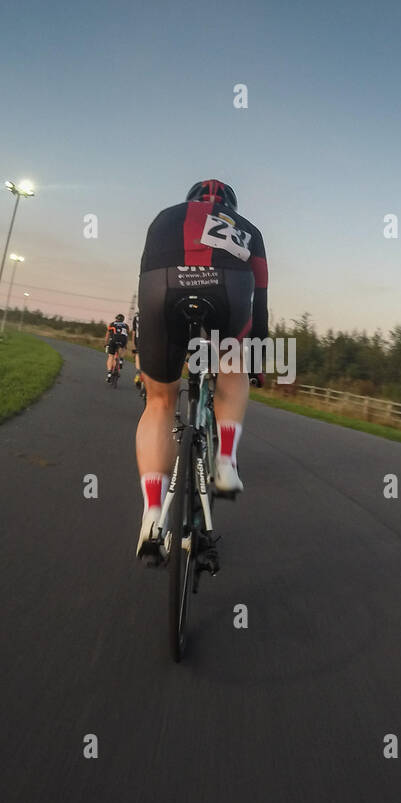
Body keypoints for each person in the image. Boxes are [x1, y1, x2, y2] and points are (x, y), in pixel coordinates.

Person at [134, 179, 268, 557]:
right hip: (229, 291)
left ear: (189, 201)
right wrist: (256, 361)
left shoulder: (164, 217)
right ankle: (225, 462)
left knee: (159, 402)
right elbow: (261, 304)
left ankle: (153, 514)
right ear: (231, 205)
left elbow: (144, 282)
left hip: (161, 287)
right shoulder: (249, 229)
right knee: (232, 362)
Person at [105, 313, 130, 381]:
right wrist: (125, 345)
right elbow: (127, 336)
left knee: (111, 356)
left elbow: (107, 335)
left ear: (116, 318)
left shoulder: (112, 324)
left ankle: (109, 373)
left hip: (113, 340)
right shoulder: (126, 325)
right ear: (123, 320)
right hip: (123, 339)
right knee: (123, 348)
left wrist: (106, 343)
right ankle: (121, 359)